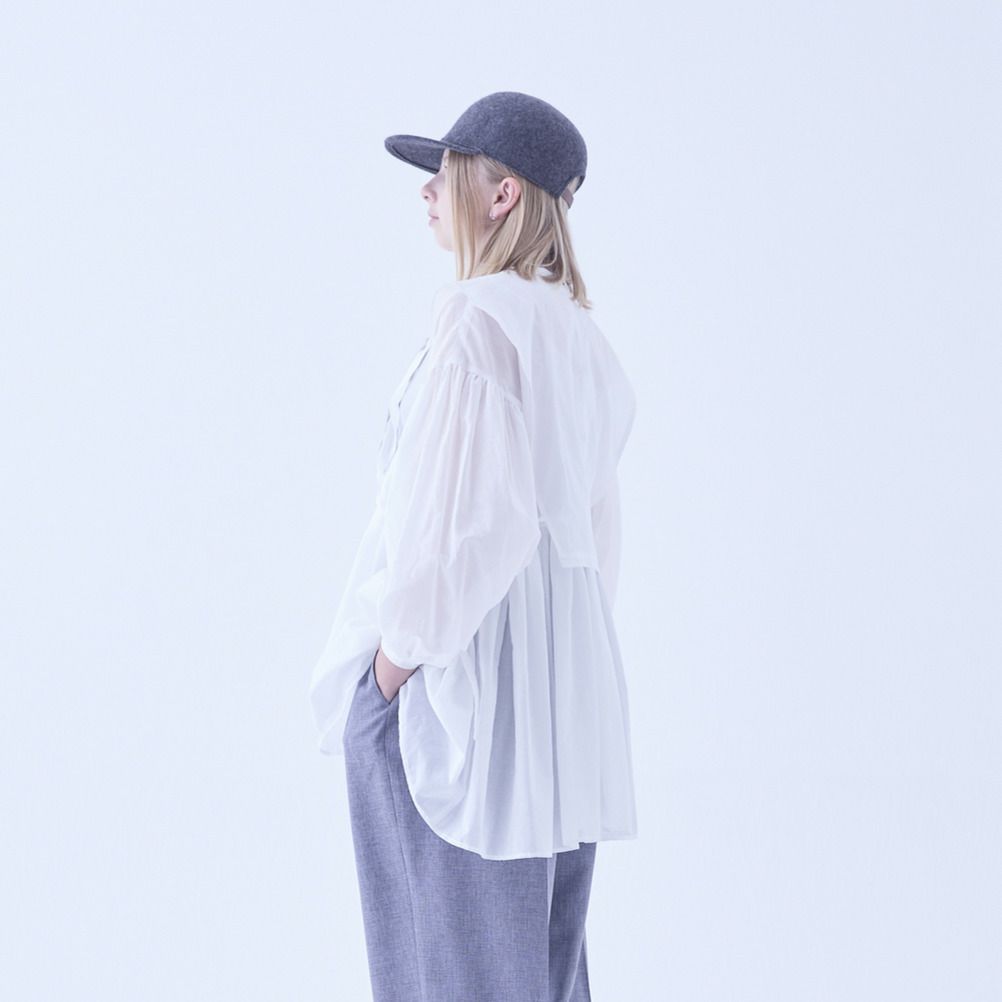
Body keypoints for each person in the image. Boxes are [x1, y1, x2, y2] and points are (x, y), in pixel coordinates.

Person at [309, 91, 638, 1002]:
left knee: (443, 974)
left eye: (446, 174)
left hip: (461, 702)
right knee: (541, 976)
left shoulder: (477, 319)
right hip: (558, 714)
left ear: (502, 195)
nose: (427, 193)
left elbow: (468, 529)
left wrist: (390, 669)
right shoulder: (579, 338)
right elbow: (596, 541)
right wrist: (556, 673)